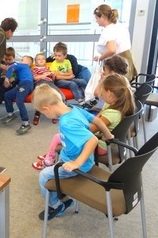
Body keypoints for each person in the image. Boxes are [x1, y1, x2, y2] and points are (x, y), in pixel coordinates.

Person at [31, 83, 114, 220]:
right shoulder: (74, 108)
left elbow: (92, 140)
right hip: (75, 157)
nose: (45, 115)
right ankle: (61, 193)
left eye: (43, 113)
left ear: (47, 108)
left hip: (80, 164)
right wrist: (108, 135)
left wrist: (77, 163)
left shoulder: (67, 123)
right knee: (56, 158)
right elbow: (97, 121)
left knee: (44, 175)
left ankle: (56, 205)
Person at [32, 74, 133, 170]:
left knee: (60, 137)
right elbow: (97, 119)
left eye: (103, 91)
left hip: (100, 145)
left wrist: (77, 123)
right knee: (61, 136)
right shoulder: (113, 105)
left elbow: (91, 130)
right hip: (102, 139)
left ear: (109, 93)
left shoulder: (112, 113)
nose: (100, 94)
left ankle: (49, 160)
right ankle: (50, 156)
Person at [93, 4, 137, 81]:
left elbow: (112, 50)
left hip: (118, 63)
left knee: (115, 87)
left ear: (103, 17)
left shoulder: (108, 30)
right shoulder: (119, 26)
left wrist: (100, 57)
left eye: (96, 18)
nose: (96, 21)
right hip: (127, 59)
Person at [2, 55, 34, 135]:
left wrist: (7, 78)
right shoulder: (24, 69)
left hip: (26, 84)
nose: (20, 60)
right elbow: (20, 77)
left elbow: (11, 68)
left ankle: (26, 123)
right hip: (22, 84)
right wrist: (13, 80)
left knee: (19, 100)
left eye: (22, 59)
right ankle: (10, 114)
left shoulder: (22, 65)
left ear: (28, 63)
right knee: (7, 95)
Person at [32, 53, 65, 125]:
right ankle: (37, 113)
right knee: (39, 99)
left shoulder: (48, 68)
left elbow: (52, 80)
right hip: (40, 83)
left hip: (50, 83)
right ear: (35, 62)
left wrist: (53, 75)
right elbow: (35, 78)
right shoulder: (34, 69)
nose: (41, 60)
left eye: (43, 59)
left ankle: (55, 113)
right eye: (39, 59)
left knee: (60, 96)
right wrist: (46, 74)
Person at [0, 47, 18, 115]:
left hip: (10, 82)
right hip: (1, 80)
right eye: (6, 59)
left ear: (13, 57)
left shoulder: (16, 65)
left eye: (9, 59)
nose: (7, 61)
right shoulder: (3, 65)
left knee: (1, 89)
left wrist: (13, 79)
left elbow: (17, 75)